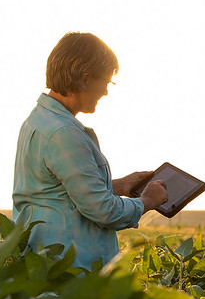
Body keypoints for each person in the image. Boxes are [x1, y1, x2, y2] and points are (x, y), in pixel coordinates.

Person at [12, 32, 167, 270]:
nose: (106, 91)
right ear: (85, 79)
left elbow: (59, 193)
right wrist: (147, 201)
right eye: (106, 82)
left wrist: (120, 185)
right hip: (70, 270)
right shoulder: (63, 132)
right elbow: (104, 211)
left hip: (46, 265)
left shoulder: (39, 120)